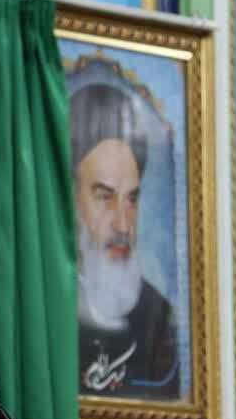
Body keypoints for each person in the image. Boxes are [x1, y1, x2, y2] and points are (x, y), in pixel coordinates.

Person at [70, 83, 180, 398]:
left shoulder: (162, 320)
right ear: (68, 199)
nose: (123, 224)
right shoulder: (36, 308)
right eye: (104, 197)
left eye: (131, 199)